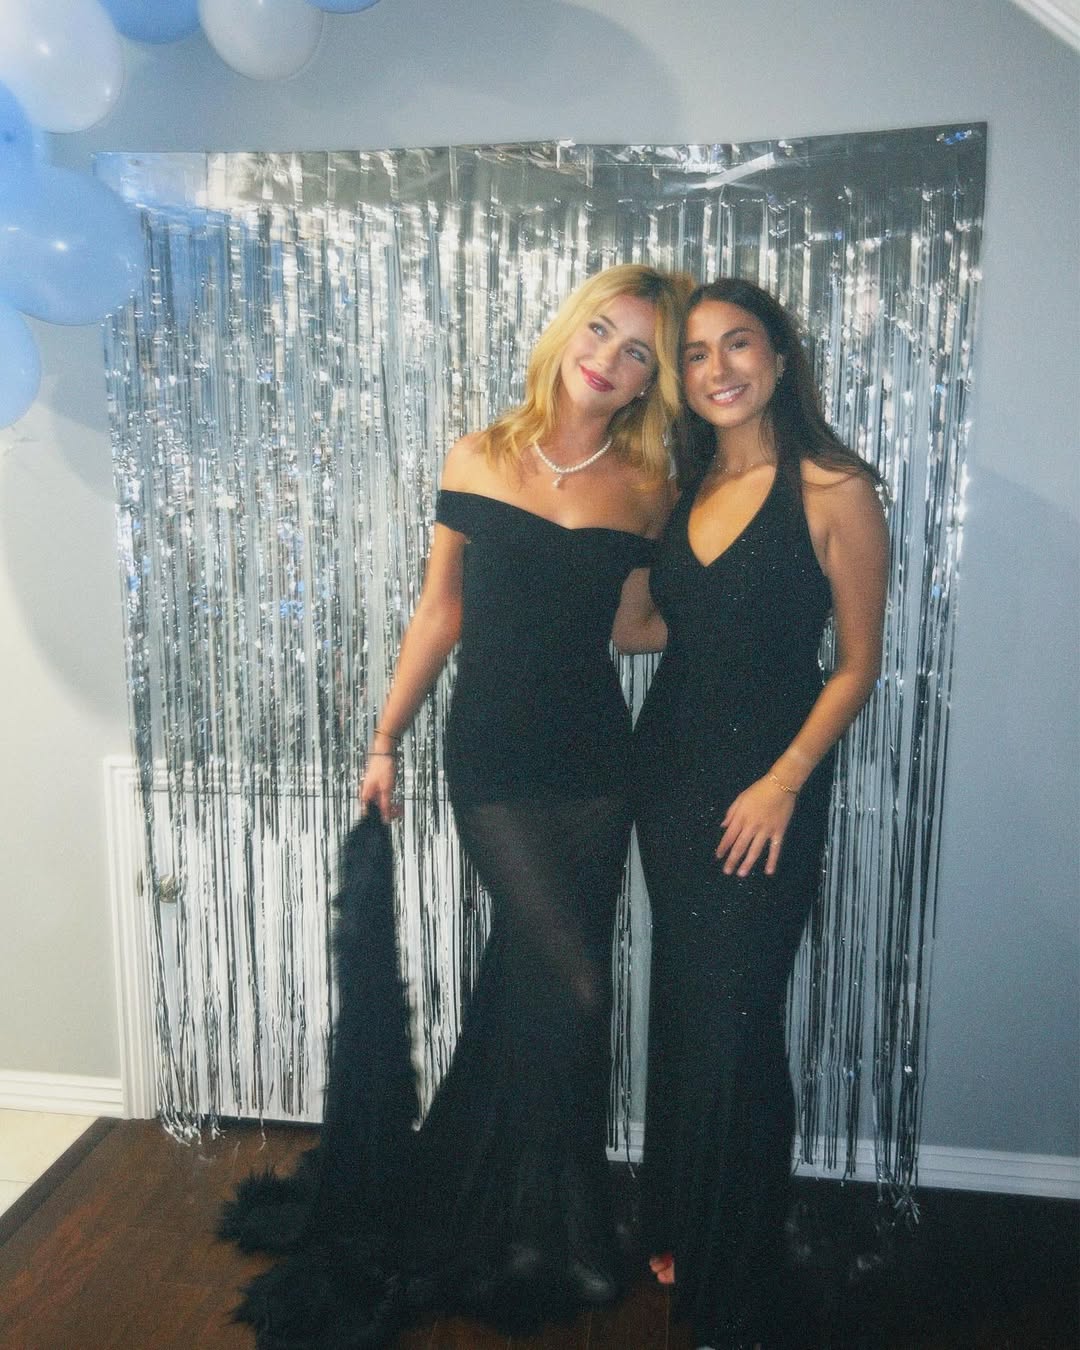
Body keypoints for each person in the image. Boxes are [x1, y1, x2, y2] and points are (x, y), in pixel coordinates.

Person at [222, 263, 688, 1347]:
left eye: (638, 353)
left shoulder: (648, 486)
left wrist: (739, 622)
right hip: (494, 763)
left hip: (598, 767)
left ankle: (538, 1222)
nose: (609, 359)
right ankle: (529, 1213)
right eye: (601, 331)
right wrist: (385, 737)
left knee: (534, 989)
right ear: (568, 330)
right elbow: (441, 610)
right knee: (576, 988)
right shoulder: (478, 454)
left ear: (649, 383)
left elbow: (631, 627)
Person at [615, 278, 889, 1349]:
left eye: (738, 344)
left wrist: (784, 780)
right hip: (671, 779)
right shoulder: (685, 489)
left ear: (778, 355)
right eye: (694, 354)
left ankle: (735, 1268)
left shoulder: (833, 486)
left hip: (770, 788)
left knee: (736, 1020)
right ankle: (684, 1219)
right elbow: (647, 629)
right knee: (689, 1008)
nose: (717, 368)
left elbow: (857, 665)